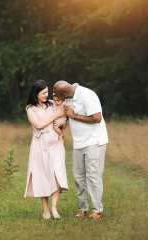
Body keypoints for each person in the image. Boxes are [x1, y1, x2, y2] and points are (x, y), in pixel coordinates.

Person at [53, 80, 108, 220]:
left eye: (59, 95)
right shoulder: (70, 96)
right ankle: (82, 208)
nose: (58, 98)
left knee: (93, 176)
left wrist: (74, 116)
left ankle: (97, 210)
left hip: (94, 141)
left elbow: (97, 118)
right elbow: (66, 117)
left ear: (65, 93)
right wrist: (62, 122)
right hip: (79, 143)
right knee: (78, 177)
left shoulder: (87, 95)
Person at [24, 79, 69, 220]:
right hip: (40, 147)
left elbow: (63, 121)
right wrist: (55, 115)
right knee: (42, 176)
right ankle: (45, 209)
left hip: (56, 145)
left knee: (57, 174)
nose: (46, 95)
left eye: (47, 92)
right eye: (43, 93)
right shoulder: (30, 108)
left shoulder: (52, 103)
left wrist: (62, 123)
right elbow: (38, 124)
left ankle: (54, 207)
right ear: (36, 93)